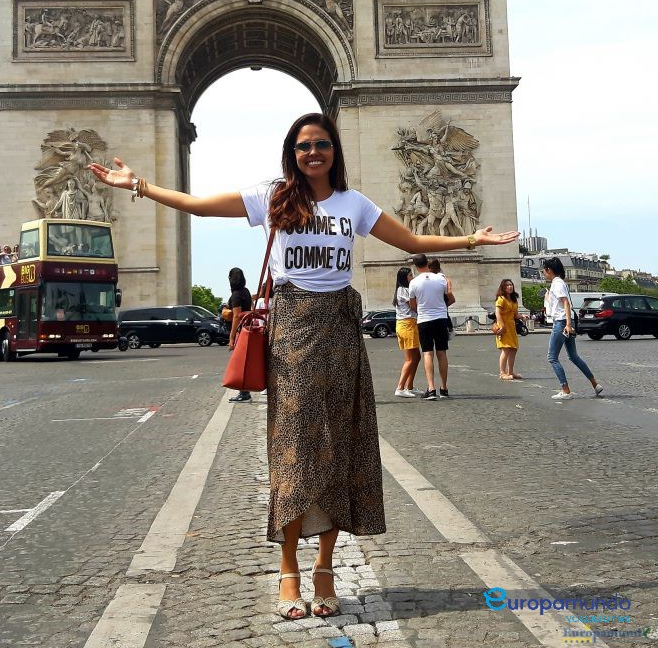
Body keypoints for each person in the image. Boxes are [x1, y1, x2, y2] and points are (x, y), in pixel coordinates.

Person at [88, 111, 518, 620]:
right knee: (293, 450)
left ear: (335, 150)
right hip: (290, 330)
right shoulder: (274, 196)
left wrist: (472, 240)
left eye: (321, 144)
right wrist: (137, 184)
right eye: (302, 146)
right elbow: (197, 207)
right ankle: (289, 567)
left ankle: (325, 568)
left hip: (339, 329)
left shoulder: (354, 205)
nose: (313, 153)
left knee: (336, 448)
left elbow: (413, 243)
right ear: (291, 153)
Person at [542, 257, 603, 400]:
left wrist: (568, 324)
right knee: (573, 356)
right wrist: (548, 297)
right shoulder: (559, 283)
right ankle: (595, 384)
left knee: (552, 357)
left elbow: (565, 304)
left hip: (562, 322)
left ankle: (565, 390)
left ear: (549, 270)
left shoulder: (557, 284)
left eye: (544, 271)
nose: (543, 273)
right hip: (567, 321)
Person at [409, 254, 454, 400]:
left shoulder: (414, 282)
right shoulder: (441, 278)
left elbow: (412, 305)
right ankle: (444, 388)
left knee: (428, 353)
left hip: (424, 320)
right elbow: (451, 297)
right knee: (442, 353)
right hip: (441, 319)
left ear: (415, 266)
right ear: (427, 263)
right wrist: (441, 307)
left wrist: (422, 310)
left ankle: (431, 389)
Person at [227, 267, 253, 403]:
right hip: (249, 328)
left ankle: (244, 393)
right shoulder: (246, 291)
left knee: (239, 362)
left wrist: (231, 337)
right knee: (245, 361)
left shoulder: (236, 294)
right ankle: (245, 391)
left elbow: (237, 316)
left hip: (241, 331)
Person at [393, 267, 420, 398]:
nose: (412, 277)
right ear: (405, 278)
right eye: (410, 275)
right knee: (410, 359)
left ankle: (409, 386)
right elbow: (414, 306)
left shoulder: (403, 290)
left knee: (417, 357)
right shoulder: (403, 290)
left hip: (408, 324)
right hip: (407, 324)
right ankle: (400, 387)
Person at [494, 278, 523, 379]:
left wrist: (523, 316)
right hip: (503, 327)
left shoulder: (514, 300)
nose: (510, 287)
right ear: (503, 287)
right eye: (507, 285)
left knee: (513, 349)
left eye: (511, 285)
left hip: (511, 327)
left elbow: (515, 315)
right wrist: (502, 326)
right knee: (505, 349)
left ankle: (510, 372)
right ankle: (502, 373)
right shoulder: (501, 299)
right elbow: (497, 313)